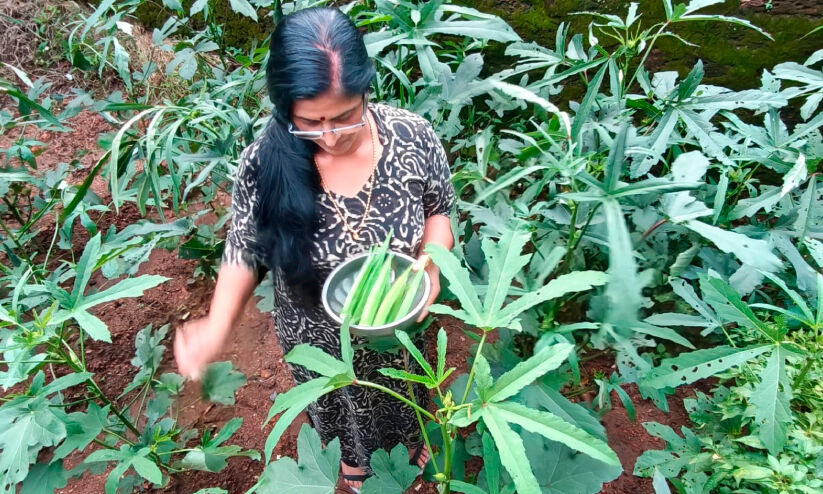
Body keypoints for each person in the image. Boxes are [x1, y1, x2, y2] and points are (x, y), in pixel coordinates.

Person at [173, 6, 455, 492]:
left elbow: (439, 211)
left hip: (398, 326)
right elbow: (245, 248)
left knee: (405, 395)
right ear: (287, 109)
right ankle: (350, 465)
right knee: (341, 409)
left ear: (366, 89)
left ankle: (408, 447)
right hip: (318, 339)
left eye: (344, 117)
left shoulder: (412, 137)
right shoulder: (265, 160)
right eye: (310, 122)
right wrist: (217, 324)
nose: (328, 136)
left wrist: (429, 265)